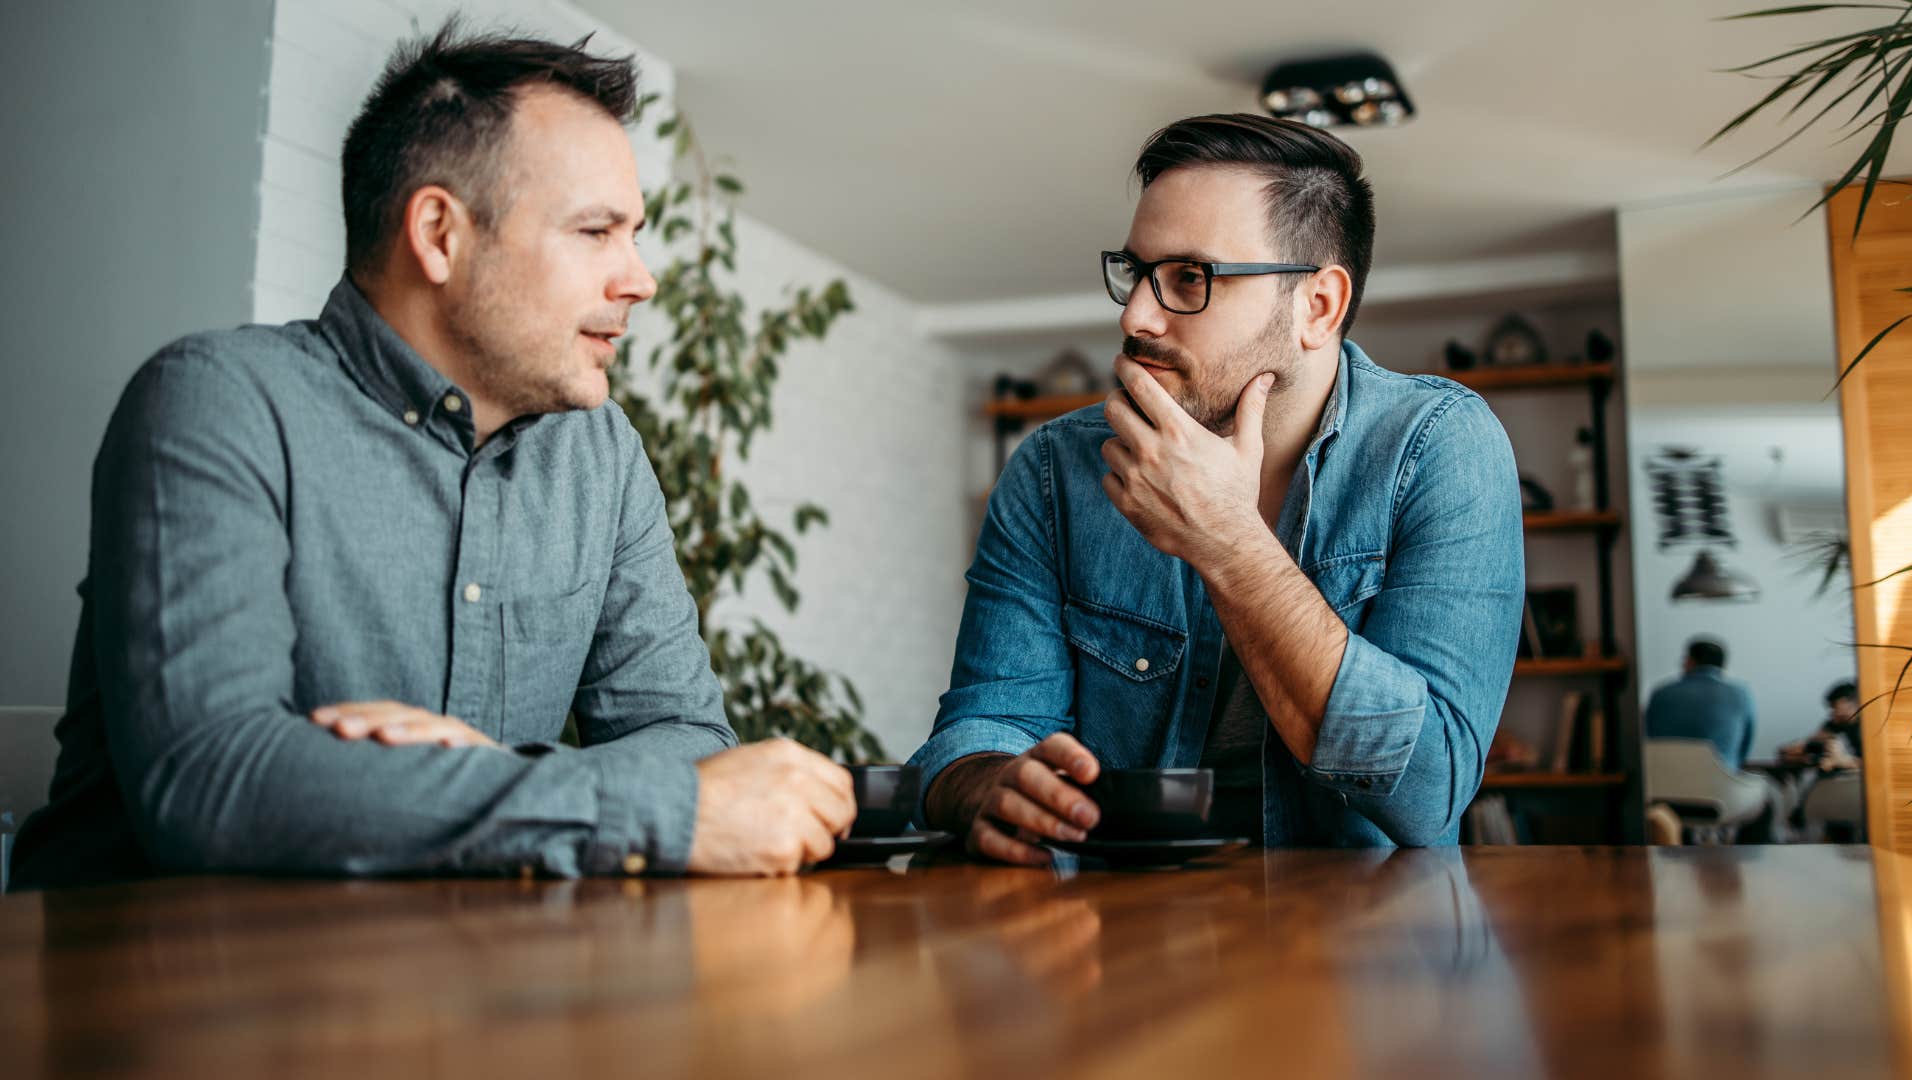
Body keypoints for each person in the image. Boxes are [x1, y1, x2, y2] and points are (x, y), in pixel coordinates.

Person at [10, 24, 855, 890]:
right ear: (440, 234)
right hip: (152, 960)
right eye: (597, 231)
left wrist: (485, 777)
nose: (640, 279)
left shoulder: (601, 456)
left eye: (633, 234)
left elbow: (689, 742)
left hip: (445, 961)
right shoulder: (216, 403)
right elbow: (213, 783)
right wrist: (541, 792)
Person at [909, 114, 1526, 863]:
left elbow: (1428, 793)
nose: (1136, 315)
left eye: (1189, 278)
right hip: (1114, 920)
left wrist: (1227, 540)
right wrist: (984, 782)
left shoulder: (1440, 448)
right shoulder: (1054, 471)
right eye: (1136, 272)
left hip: (1364, 925)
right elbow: (983, 727)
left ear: (1318, 306)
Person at [1643, 638, 1755, 769]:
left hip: (1665, 774)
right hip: (1722, 778)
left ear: (1690, 661)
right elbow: (1745, 745)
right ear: (1722, 665)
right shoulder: (1741, 694)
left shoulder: (1661, 693)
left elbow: (1649, 736)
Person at [1779, 680, 1862, 774]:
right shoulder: (1835, 724)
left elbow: (1872, 763)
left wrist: (1843, 762)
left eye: (1835, 707)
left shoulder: (1867, 727)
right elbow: (1809, 743)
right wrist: (1806, 754)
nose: (1832, 713)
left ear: (1850, 704)